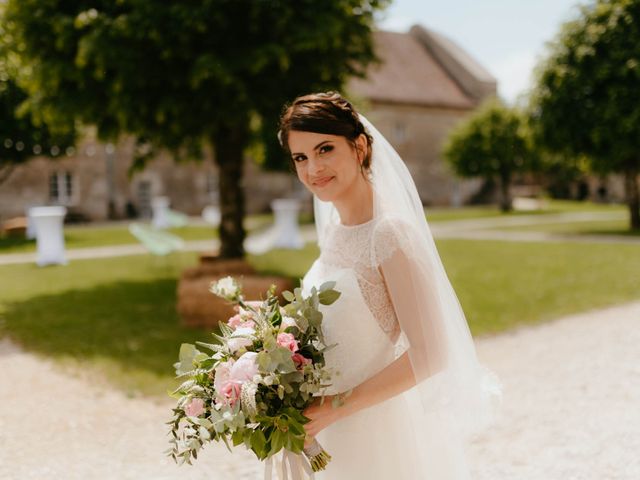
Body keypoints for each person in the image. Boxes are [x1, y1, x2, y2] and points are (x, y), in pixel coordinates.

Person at [276, 91, 503, 479]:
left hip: (373, 434)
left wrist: (335, 407)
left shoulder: (391, 234)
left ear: (360, 146)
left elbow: (431, 352)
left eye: (325, 149)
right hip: (322, 431)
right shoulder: (334, 229)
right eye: (301, 157)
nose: (313, 169)